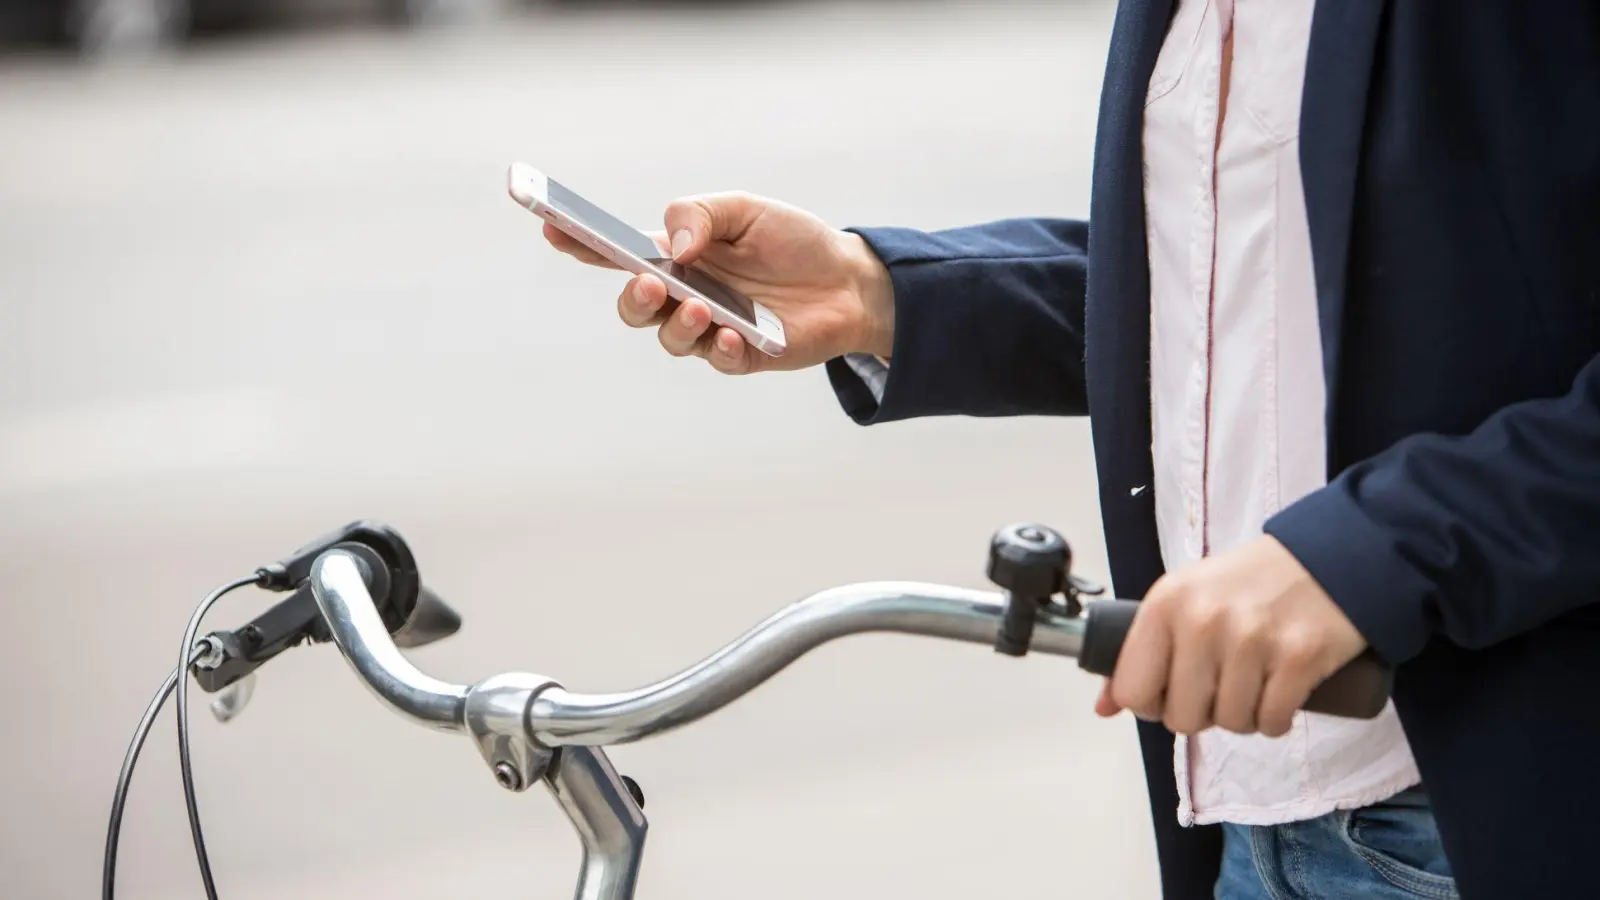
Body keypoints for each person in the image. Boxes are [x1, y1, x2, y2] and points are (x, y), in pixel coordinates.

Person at [542, 2, 1600, 898]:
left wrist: (1370, 553)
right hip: (1250, 827)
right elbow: (1236, 286)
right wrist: (880, 291)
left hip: (1484, 816)